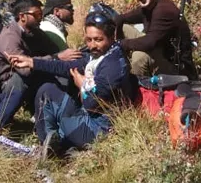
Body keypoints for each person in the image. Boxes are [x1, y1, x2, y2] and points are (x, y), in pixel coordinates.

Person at [8, 10, 139, 156]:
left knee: (53, 103)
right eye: (88, 40)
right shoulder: (99, 56)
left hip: (98, 130)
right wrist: (31, 62)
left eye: (98, 39)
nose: (92, 45)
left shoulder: (112, 65)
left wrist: (82, 85)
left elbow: (90, 104)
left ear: (111, 37)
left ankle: (55, 145)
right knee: (48, 88)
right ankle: (51, 143)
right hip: (90, 119)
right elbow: (65, 67)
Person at [0, 0, 81, 109]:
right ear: (22, 17)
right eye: (36, 15)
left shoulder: (34, 30)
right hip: (11, 83)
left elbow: (53, 49)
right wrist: (57, 57)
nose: (40, 18)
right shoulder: (9, 38)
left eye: (41, 14)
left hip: (33, 73)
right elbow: (24, 69)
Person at [114, 0, 198, 79]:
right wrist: (116, 23)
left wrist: (121, 44)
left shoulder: (163, 10)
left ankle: (138, 89)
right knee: (124, 27)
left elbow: (149, 42)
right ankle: (119, 61)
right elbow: (124, 18)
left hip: (175, 66)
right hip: (159, 49)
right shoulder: (150, 5)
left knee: (139, 57)